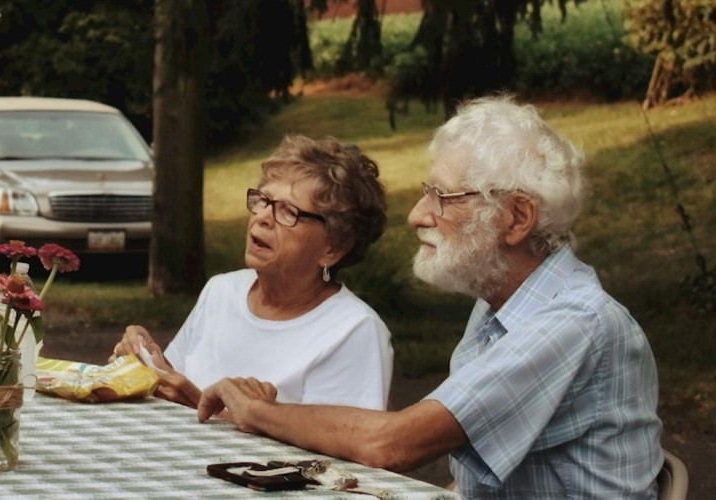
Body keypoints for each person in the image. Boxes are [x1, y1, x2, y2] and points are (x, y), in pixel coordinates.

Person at [197, 97, 662, 498]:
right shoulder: (500, 306)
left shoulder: (572, 321)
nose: (418, 215)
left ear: (517, 217)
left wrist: (260, 412)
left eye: (442, 196)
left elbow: (393, 444)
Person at [113, 135, 393, 410]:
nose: (263, 217)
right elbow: (176, 382)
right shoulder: (221, 291)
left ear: (333, 248)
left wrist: (198, 404)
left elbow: (340, 446)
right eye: (263, 200)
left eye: (288, 211)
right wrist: (149, 363)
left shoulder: (354, 330)